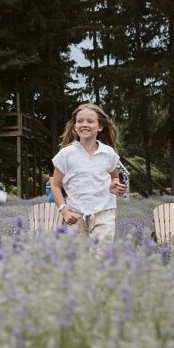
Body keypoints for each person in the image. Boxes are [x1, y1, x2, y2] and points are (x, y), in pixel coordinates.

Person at [50, 103, 126, 243]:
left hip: (104, 213)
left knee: (100, 258)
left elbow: (114, 177)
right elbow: (55, 185)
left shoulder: (108, 153)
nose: (84, 124)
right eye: (80, 121)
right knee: (81, 262)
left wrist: (114, 184)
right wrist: (64, 211)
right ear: (75, 126)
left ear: (100, 126)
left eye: (90, 121)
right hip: (75, 216)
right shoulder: (66, 154)